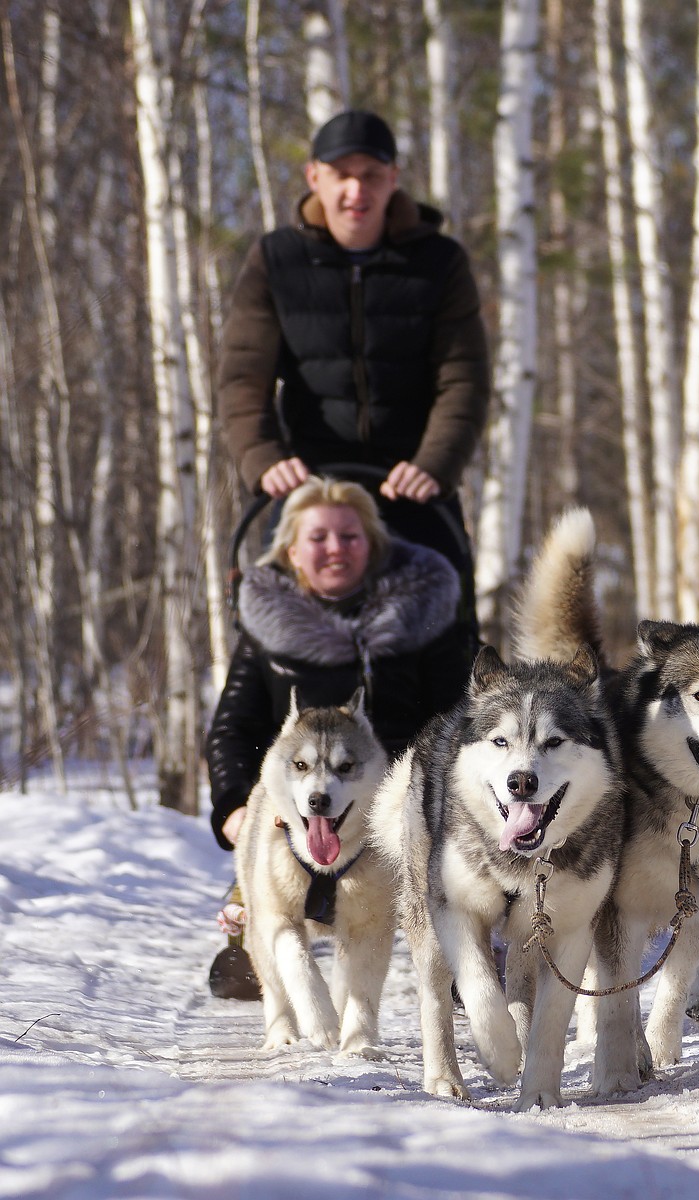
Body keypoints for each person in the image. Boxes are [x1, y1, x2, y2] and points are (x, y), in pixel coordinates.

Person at [216, 108, 489, 659]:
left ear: (393, 179)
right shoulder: (276, 260)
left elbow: (464, 377)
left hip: (412, 486)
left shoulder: (439, 262)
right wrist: (264, 458)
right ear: (315, 177)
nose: (355, 189)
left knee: (442, 646)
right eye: (341, 174)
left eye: (370, 174)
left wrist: (435, 465)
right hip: (311, 490)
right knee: (277, 645)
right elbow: (243, 374)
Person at [204, 477, 467, 998]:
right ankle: (257, 925)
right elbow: (234, 728)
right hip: (292, 812)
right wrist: (235, 804)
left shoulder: (426, 619)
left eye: (350, 536)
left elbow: (459, 717)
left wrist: (439, 800)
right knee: (246, 968)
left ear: (373, 544)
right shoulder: (265, 632)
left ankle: (466, 943)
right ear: (293, 552)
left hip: (406, 804)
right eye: (319, 537)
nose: (335, 549)